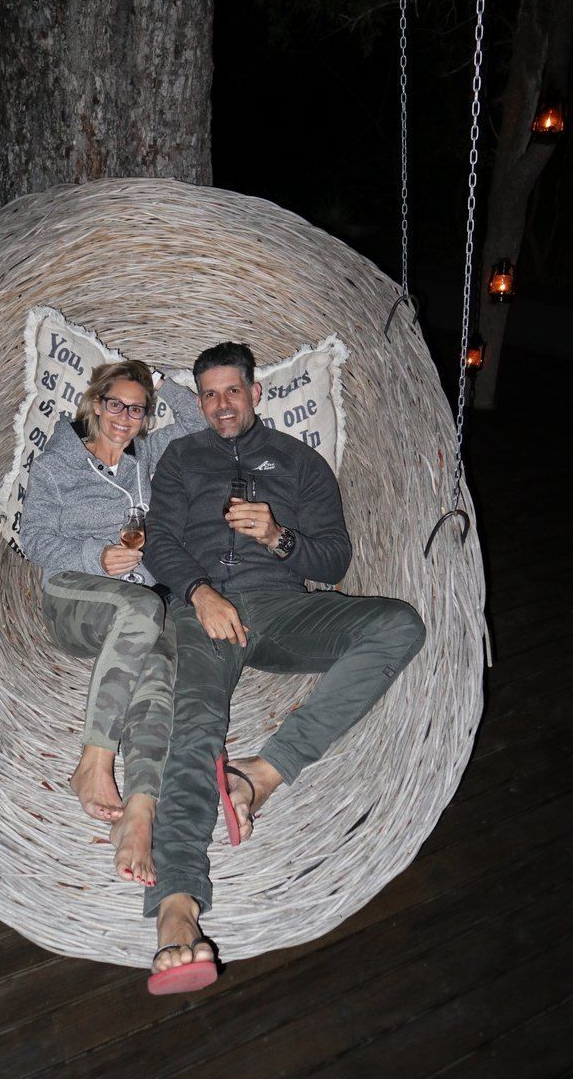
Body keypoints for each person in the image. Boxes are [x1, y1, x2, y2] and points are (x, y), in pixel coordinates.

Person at [141, 342, 426, 994]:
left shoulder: (301, 464)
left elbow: (332, 562)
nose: (220, 405)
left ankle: (266, 773)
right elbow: (159, 542)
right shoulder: (180, 459)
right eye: (208, 394)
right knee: (196, 725)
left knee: (399, 624)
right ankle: (178, 906)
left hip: (282, 608)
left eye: (231, 391)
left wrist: (277, 538)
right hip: (204, 609)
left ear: (255, 392)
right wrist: (200, 594)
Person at [20, 360, 201, 889]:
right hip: (75, 596)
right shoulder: (60, 464)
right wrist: (92, 555)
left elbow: (195, 427)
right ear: (96, 404)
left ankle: (140, 810)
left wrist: (165, 382)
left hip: (140, 601)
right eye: (116, 404)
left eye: (137, 408)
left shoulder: (150, 455)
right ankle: (94, 761)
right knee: (146, 611)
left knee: (161, 658)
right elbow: (33, 538)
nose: (125, 416)